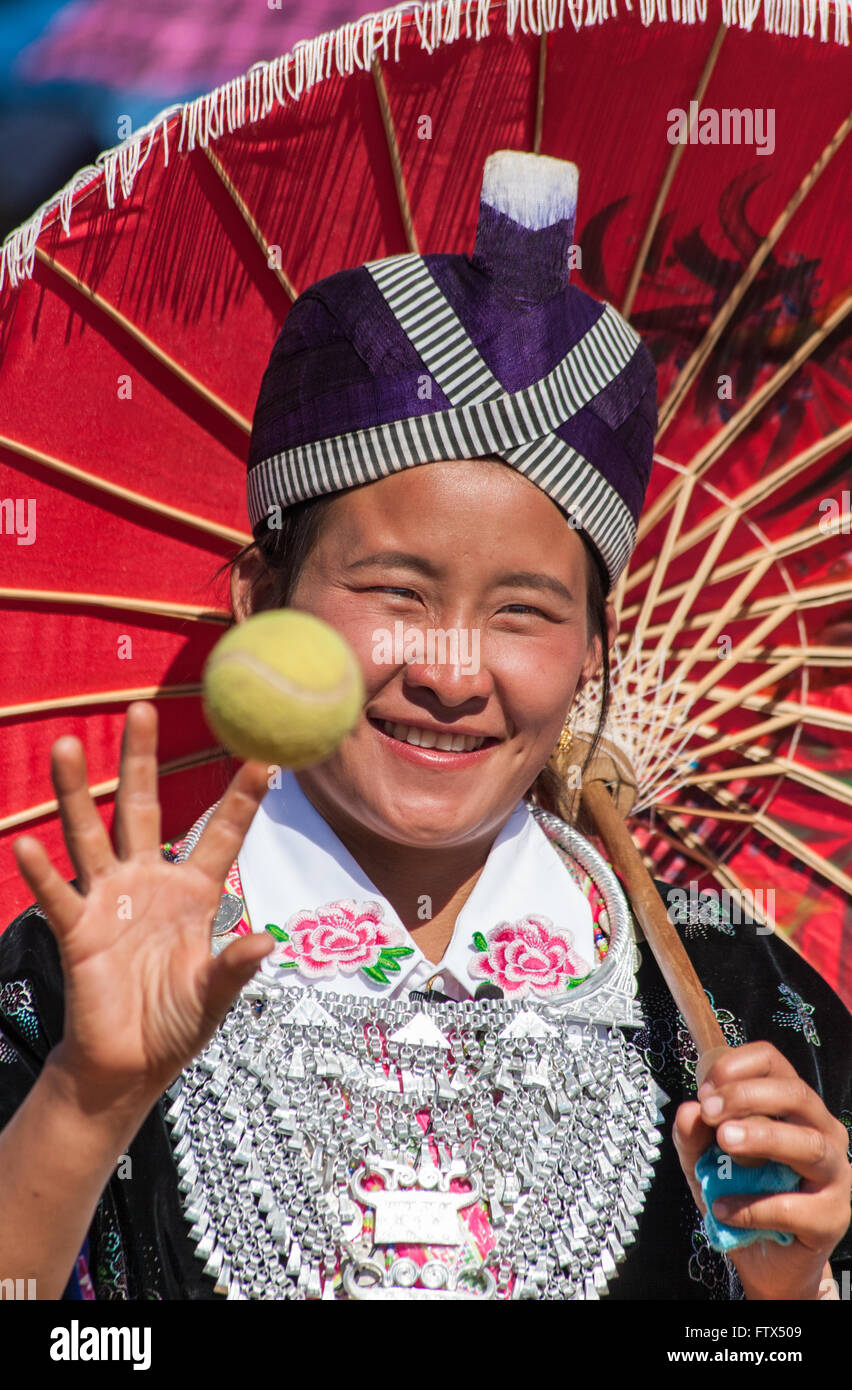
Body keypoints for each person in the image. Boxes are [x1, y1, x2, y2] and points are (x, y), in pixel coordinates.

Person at [1, 152, 849, 1303]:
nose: (453, 673)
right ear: (264, 598)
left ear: (597, 646)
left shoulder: (752, 1017)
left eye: (523, 612)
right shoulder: (74, 988)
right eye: (395, 591)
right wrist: (87, 1102)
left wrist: (787, 1290)